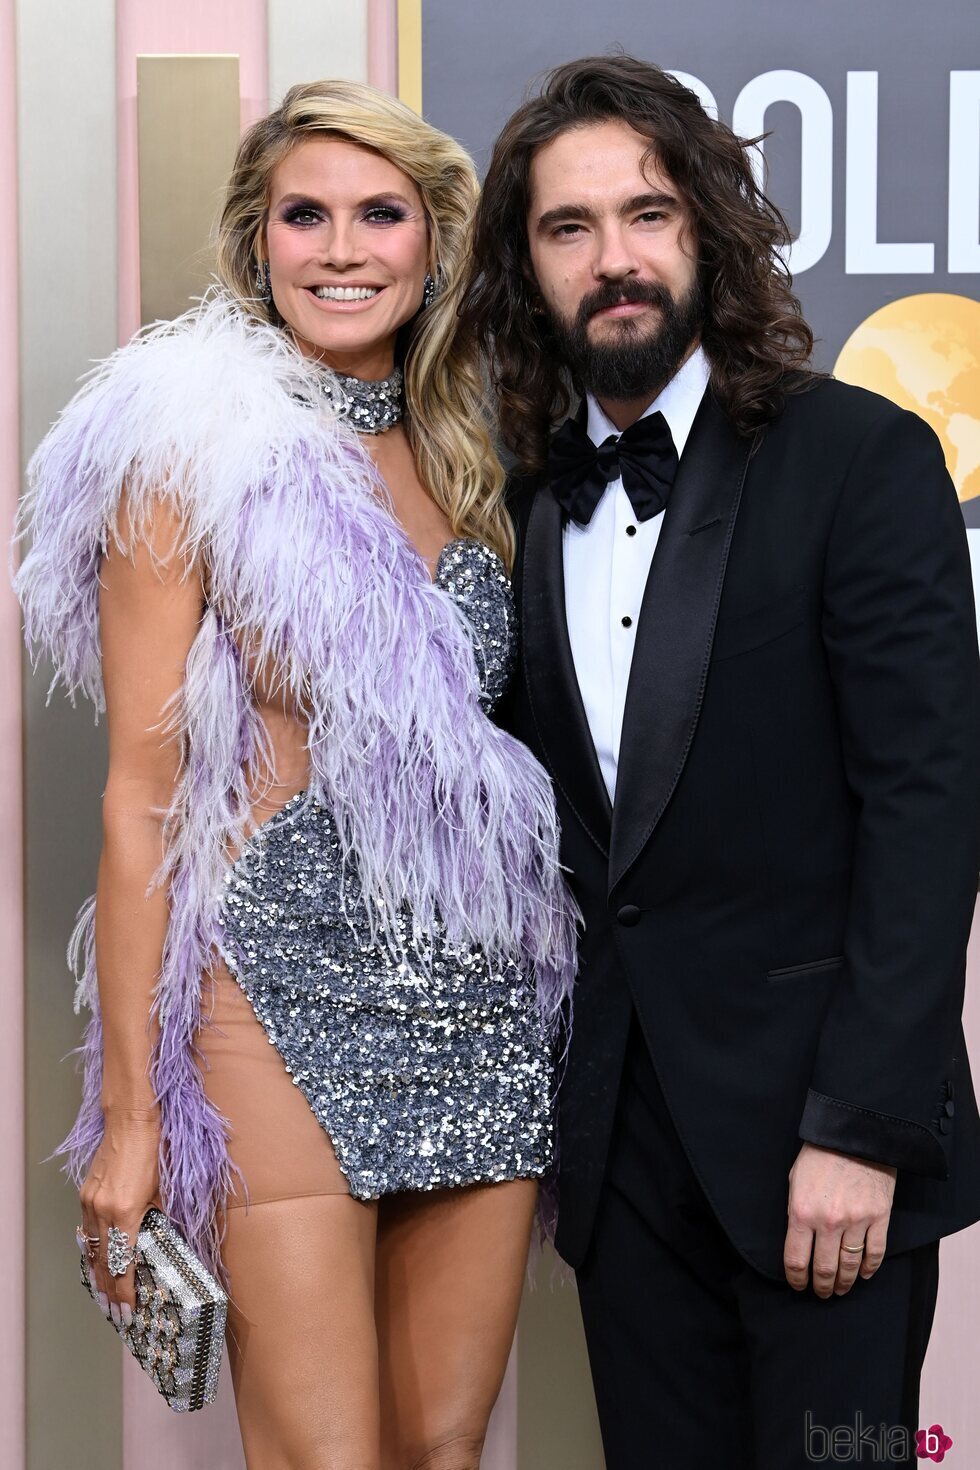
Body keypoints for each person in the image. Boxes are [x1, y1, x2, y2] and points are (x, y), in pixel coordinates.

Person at [14, 80, 577, 1470]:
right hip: (270, 995)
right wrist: (134, 1120)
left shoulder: (486, 448)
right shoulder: (192, 444)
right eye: (303, 214)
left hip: (477, 997)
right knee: (328, 1458)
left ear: (434, 241)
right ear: (255, 243)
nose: (341, 246)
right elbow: (139, 801)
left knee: (444, 1446)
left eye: (379, 213)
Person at [462, 54, 980, 1469]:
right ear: (527, 262)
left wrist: (864, 1129)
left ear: (709, 230)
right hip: (625, 1169)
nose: (614, 260)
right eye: (569, 228)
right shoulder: (519, 499)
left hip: (824, 1151)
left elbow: (928, 811)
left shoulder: (858, 458)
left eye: (648, 214)